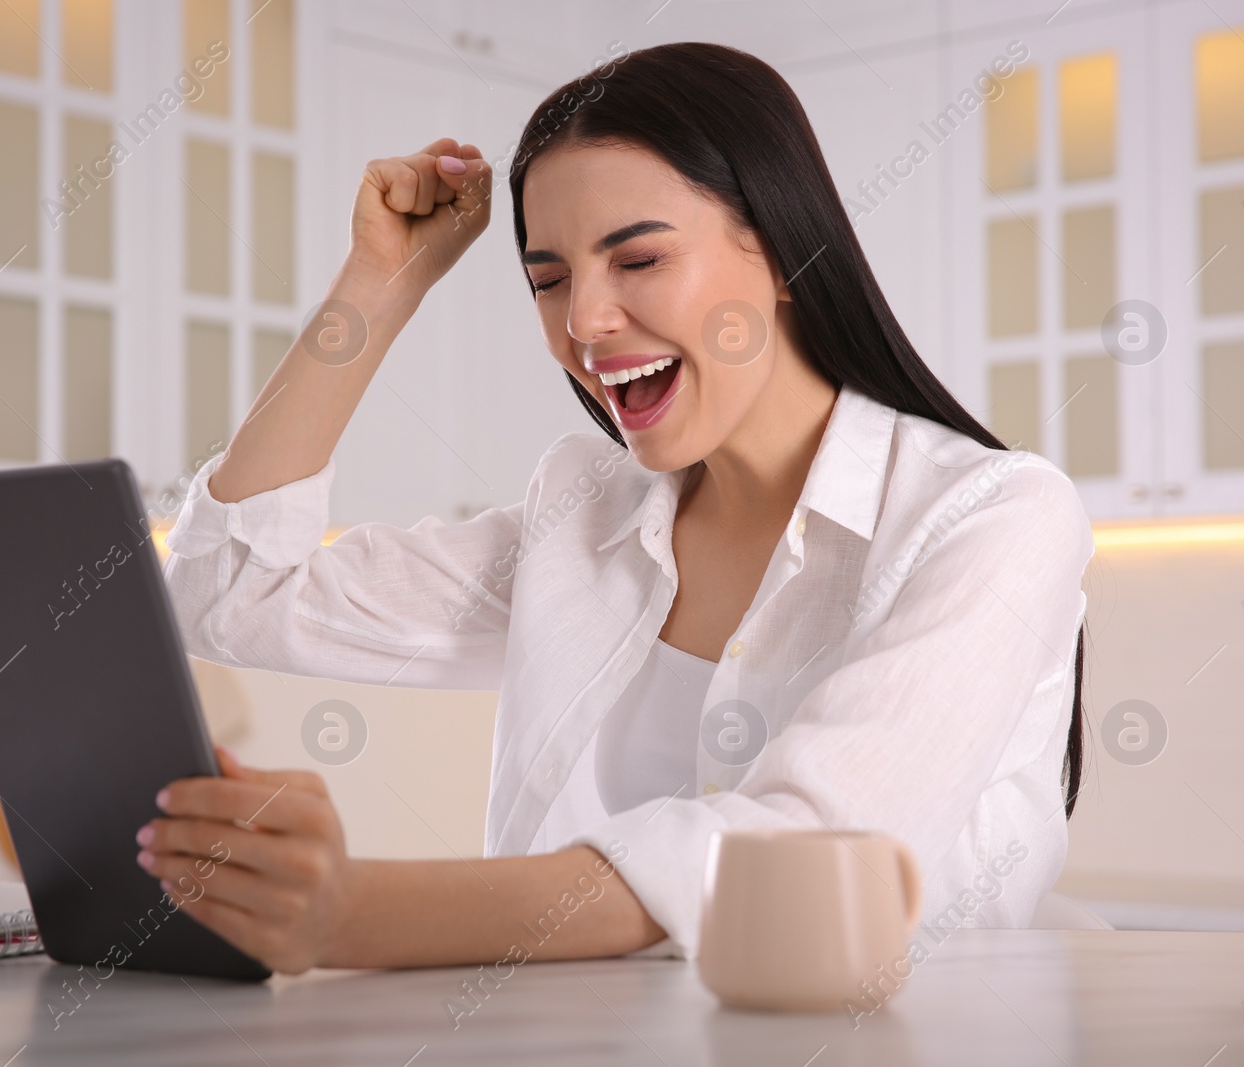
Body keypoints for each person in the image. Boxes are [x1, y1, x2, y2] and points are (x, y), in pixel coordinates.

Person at [140, 41, 1094, 975]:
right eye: (548, 279)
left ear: (780, 249)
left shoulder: (992, 518)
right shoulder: (581, 515)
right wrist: (379, 283)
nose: (583, 324)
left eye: (636, 260)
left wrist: (356, 913)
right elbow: (228, 591)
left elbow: (805, 856)